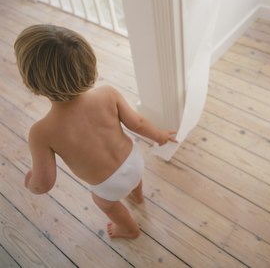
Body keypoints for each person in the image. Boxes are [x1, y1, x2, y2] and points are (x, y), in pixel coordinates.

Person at [14, 24, 177, 239]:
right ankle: (137, 196)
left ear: (31, 82)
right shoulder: (108, 93)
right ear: (89, 65)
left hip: (107, 185)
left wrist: (31, 184)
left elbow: (44, 182)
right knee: (133, 179)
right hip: (134, 160)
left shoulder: (41, 132)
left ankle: (128, 229)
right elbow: (137, 123)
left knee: (107, 205)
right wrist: (160, 136)